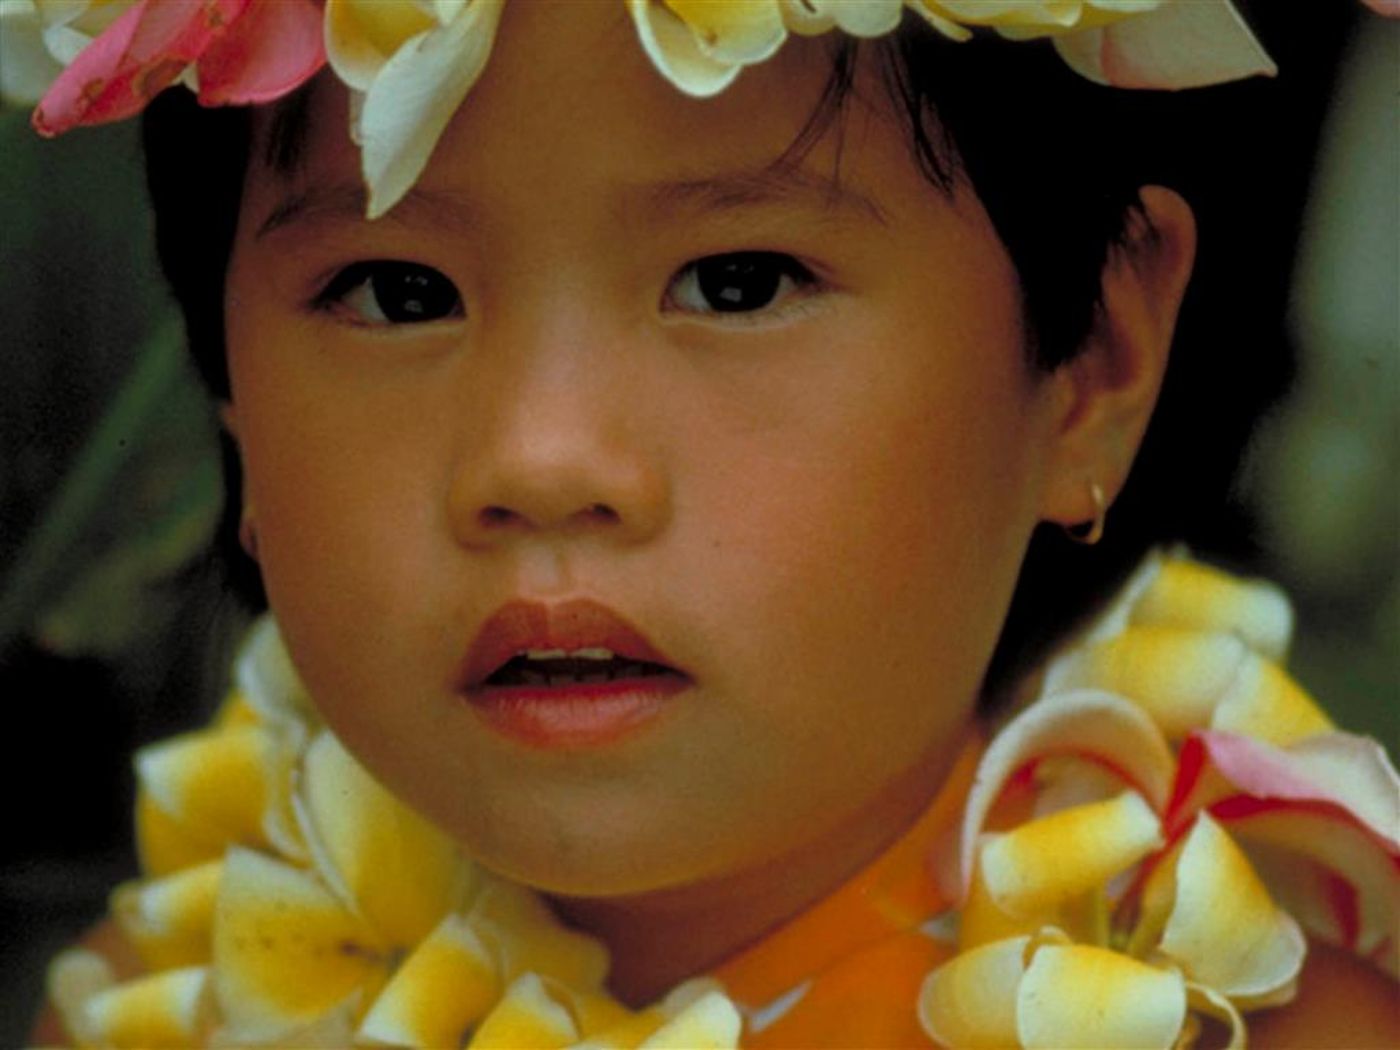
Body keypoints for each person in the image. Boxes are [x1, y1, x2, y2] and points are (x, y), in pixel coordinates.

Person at [9, 1, 1396, 1046]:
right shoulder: (158, 1007)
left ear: (1091, 361)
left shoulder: (1249, 1029)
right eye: (397, 292)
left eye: (739, 282)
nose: (541, 462)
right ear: (233, 406)